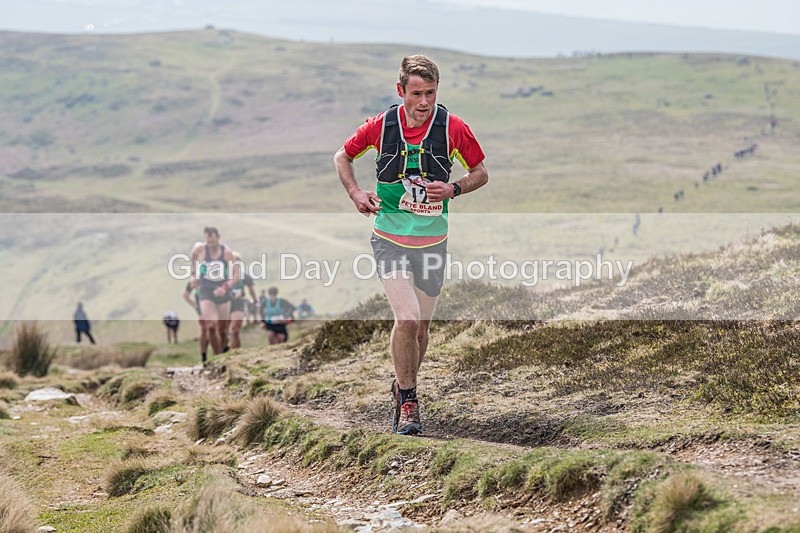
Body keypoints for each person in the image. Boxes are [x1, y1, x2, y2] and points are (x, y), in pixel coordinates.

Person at [333, 55, 488, 435]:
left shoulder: (452, 127)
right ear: (400, 91)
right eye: (416, 93)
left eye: (431, 93)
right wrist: (355, 192)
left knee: (421, 330)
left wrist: (453, 188)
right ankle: (408, 403)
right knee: (407, 318)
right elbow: (343, 156)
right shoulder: (381, 126)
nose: (424, 102)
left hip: (433, 241)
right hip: (389, 237)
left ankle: (403, 385)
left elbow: (480, 172)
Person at [189, 226, 240, 364]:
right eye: (208, 240)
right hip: (205, 290)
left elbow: (236, 274)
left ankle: (223, 351)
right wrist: (194, 275)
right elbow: (193, 256)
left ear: (218, 237)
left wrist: (225, 286)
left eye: (213, 239)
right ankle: (217, 359)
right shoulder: (200, 249)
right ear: (205, 238)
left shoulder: (226, 253)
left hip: (222, 291)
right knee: (210, 326)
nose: (210, 243)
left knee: (223, 330)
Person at [227, 252, 257, 350]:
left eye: (237, 261)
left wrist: (255, 300)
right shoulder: (222, 275)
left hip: (238, 303)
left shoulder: (245, 275)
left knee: (235, 329)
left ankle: (235, 352)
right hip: (224, 304)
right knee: (223, 330)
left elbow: (251, 289)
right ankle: (223, 349)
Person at [183, 281, 208, 362]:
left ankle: (206, 354)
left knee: (209, 330)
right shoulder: (193, 281)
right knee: (205, 330)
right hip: (202, 309)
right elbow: (185, 295)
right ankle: (204, 355)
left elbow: (185, 296)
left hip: (209, 306)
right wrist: (196, 306)